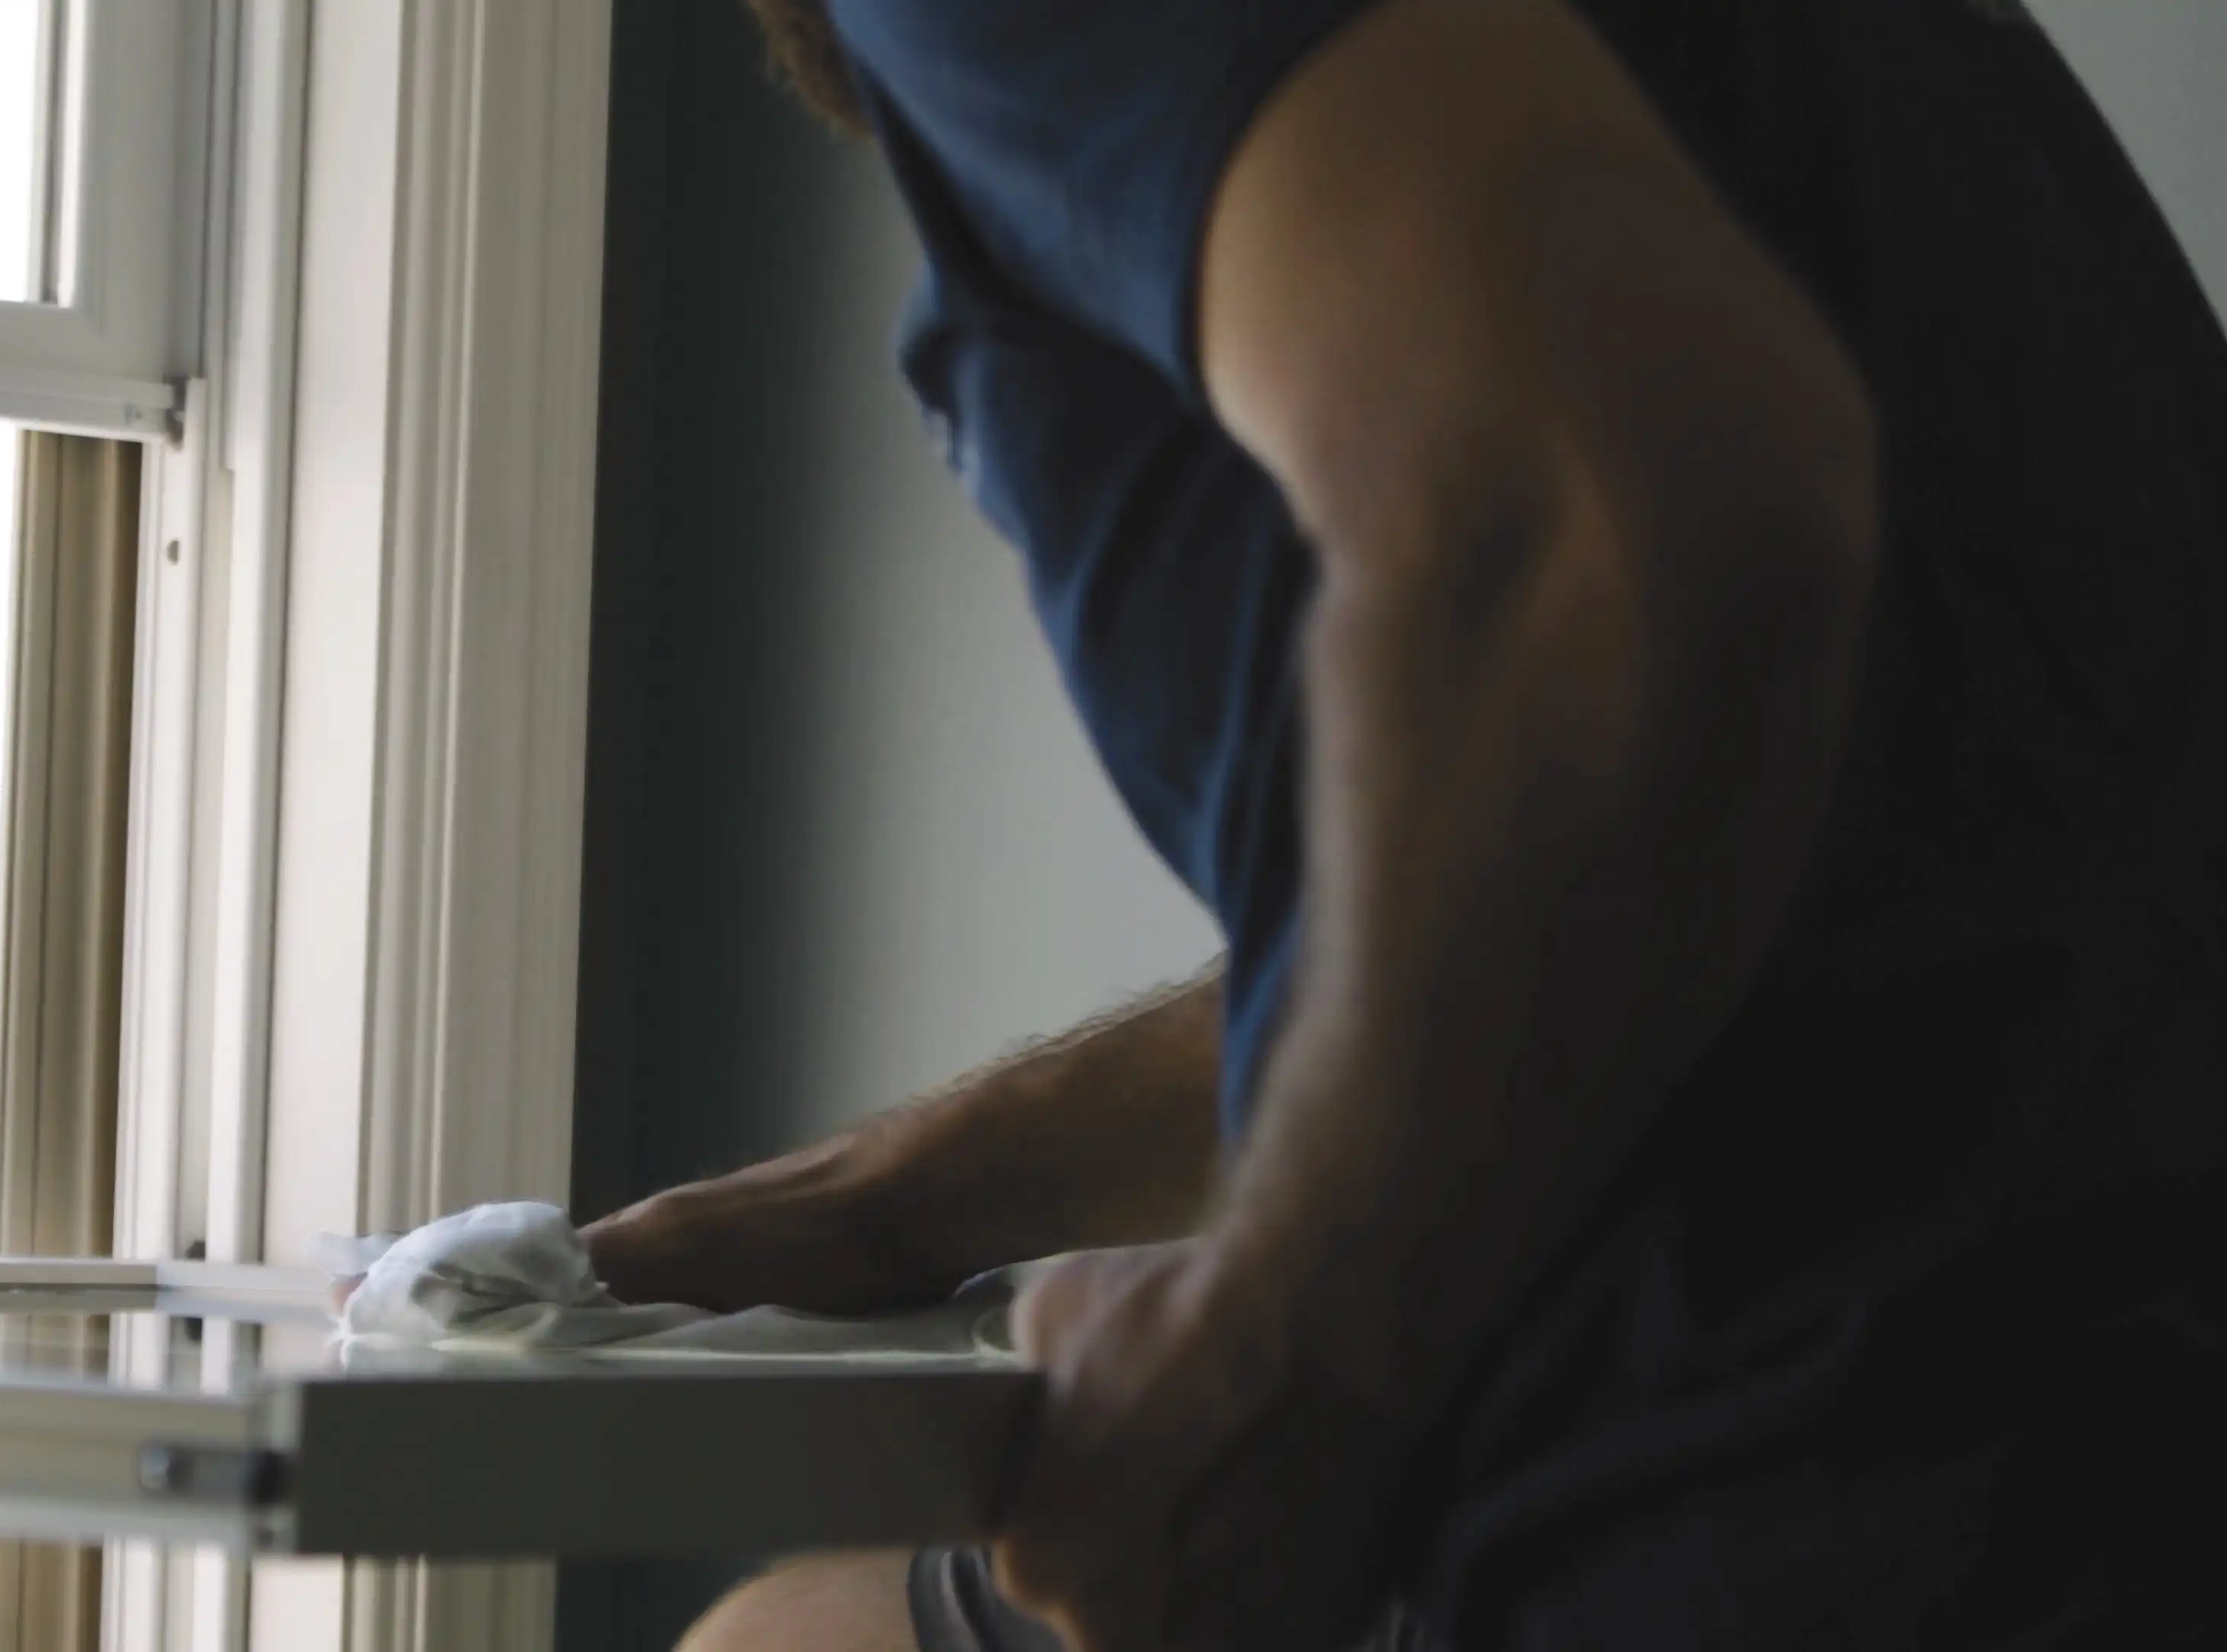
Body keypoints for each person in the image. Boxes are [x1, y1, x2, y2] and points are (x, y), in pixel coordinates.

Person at [578, 1, 2227, 1647]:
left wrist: (1279, 1365)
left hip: (1834, 1484)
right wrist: (907, 1196)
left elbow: (1601, 525)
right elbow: (1650, 868)